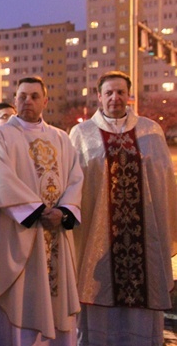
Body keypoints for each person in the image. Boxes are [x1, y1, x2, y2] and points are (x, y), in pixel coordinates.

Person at [69, 71, 177, 346]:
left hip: (144, 238)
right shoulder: (82, 134)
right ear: (99, 96)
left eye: (120, 92)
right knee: (98, 294)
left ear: (129, 96)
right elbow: (72, 184)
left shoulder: (151, 130)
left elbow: (165, 183)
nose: (115, 98)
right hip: (98, 235)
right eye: (109, 93)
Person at [0, 76, 83, 346]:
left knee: (56, 296)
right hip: (20, 231)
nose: (28, 101)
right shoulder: (0, 135)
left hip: (57, 231)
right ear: (14, 100)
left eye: (34, 96)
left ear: (45, 101)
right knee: (19, 295)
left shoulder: (61, 138)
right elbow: (0, 177)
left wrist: (63, 212)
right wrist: (38, 212)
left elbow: (76, 178)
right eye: (22, 96)